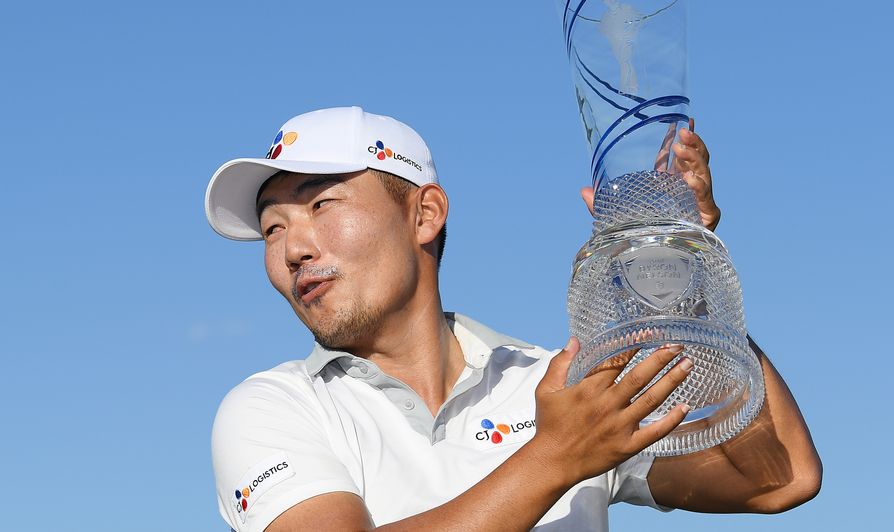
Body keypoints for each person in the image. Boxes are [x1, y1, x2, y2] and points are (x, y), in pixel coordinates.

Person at [207, 107, 821, 532]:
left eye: (321, 204)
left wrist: (677, 261)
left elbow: (779, 476)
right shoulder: (273, 407)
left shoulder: (559, 384)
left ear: (425, 214)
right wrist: (556, 457)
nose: (293, 249)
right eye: (273, 228)